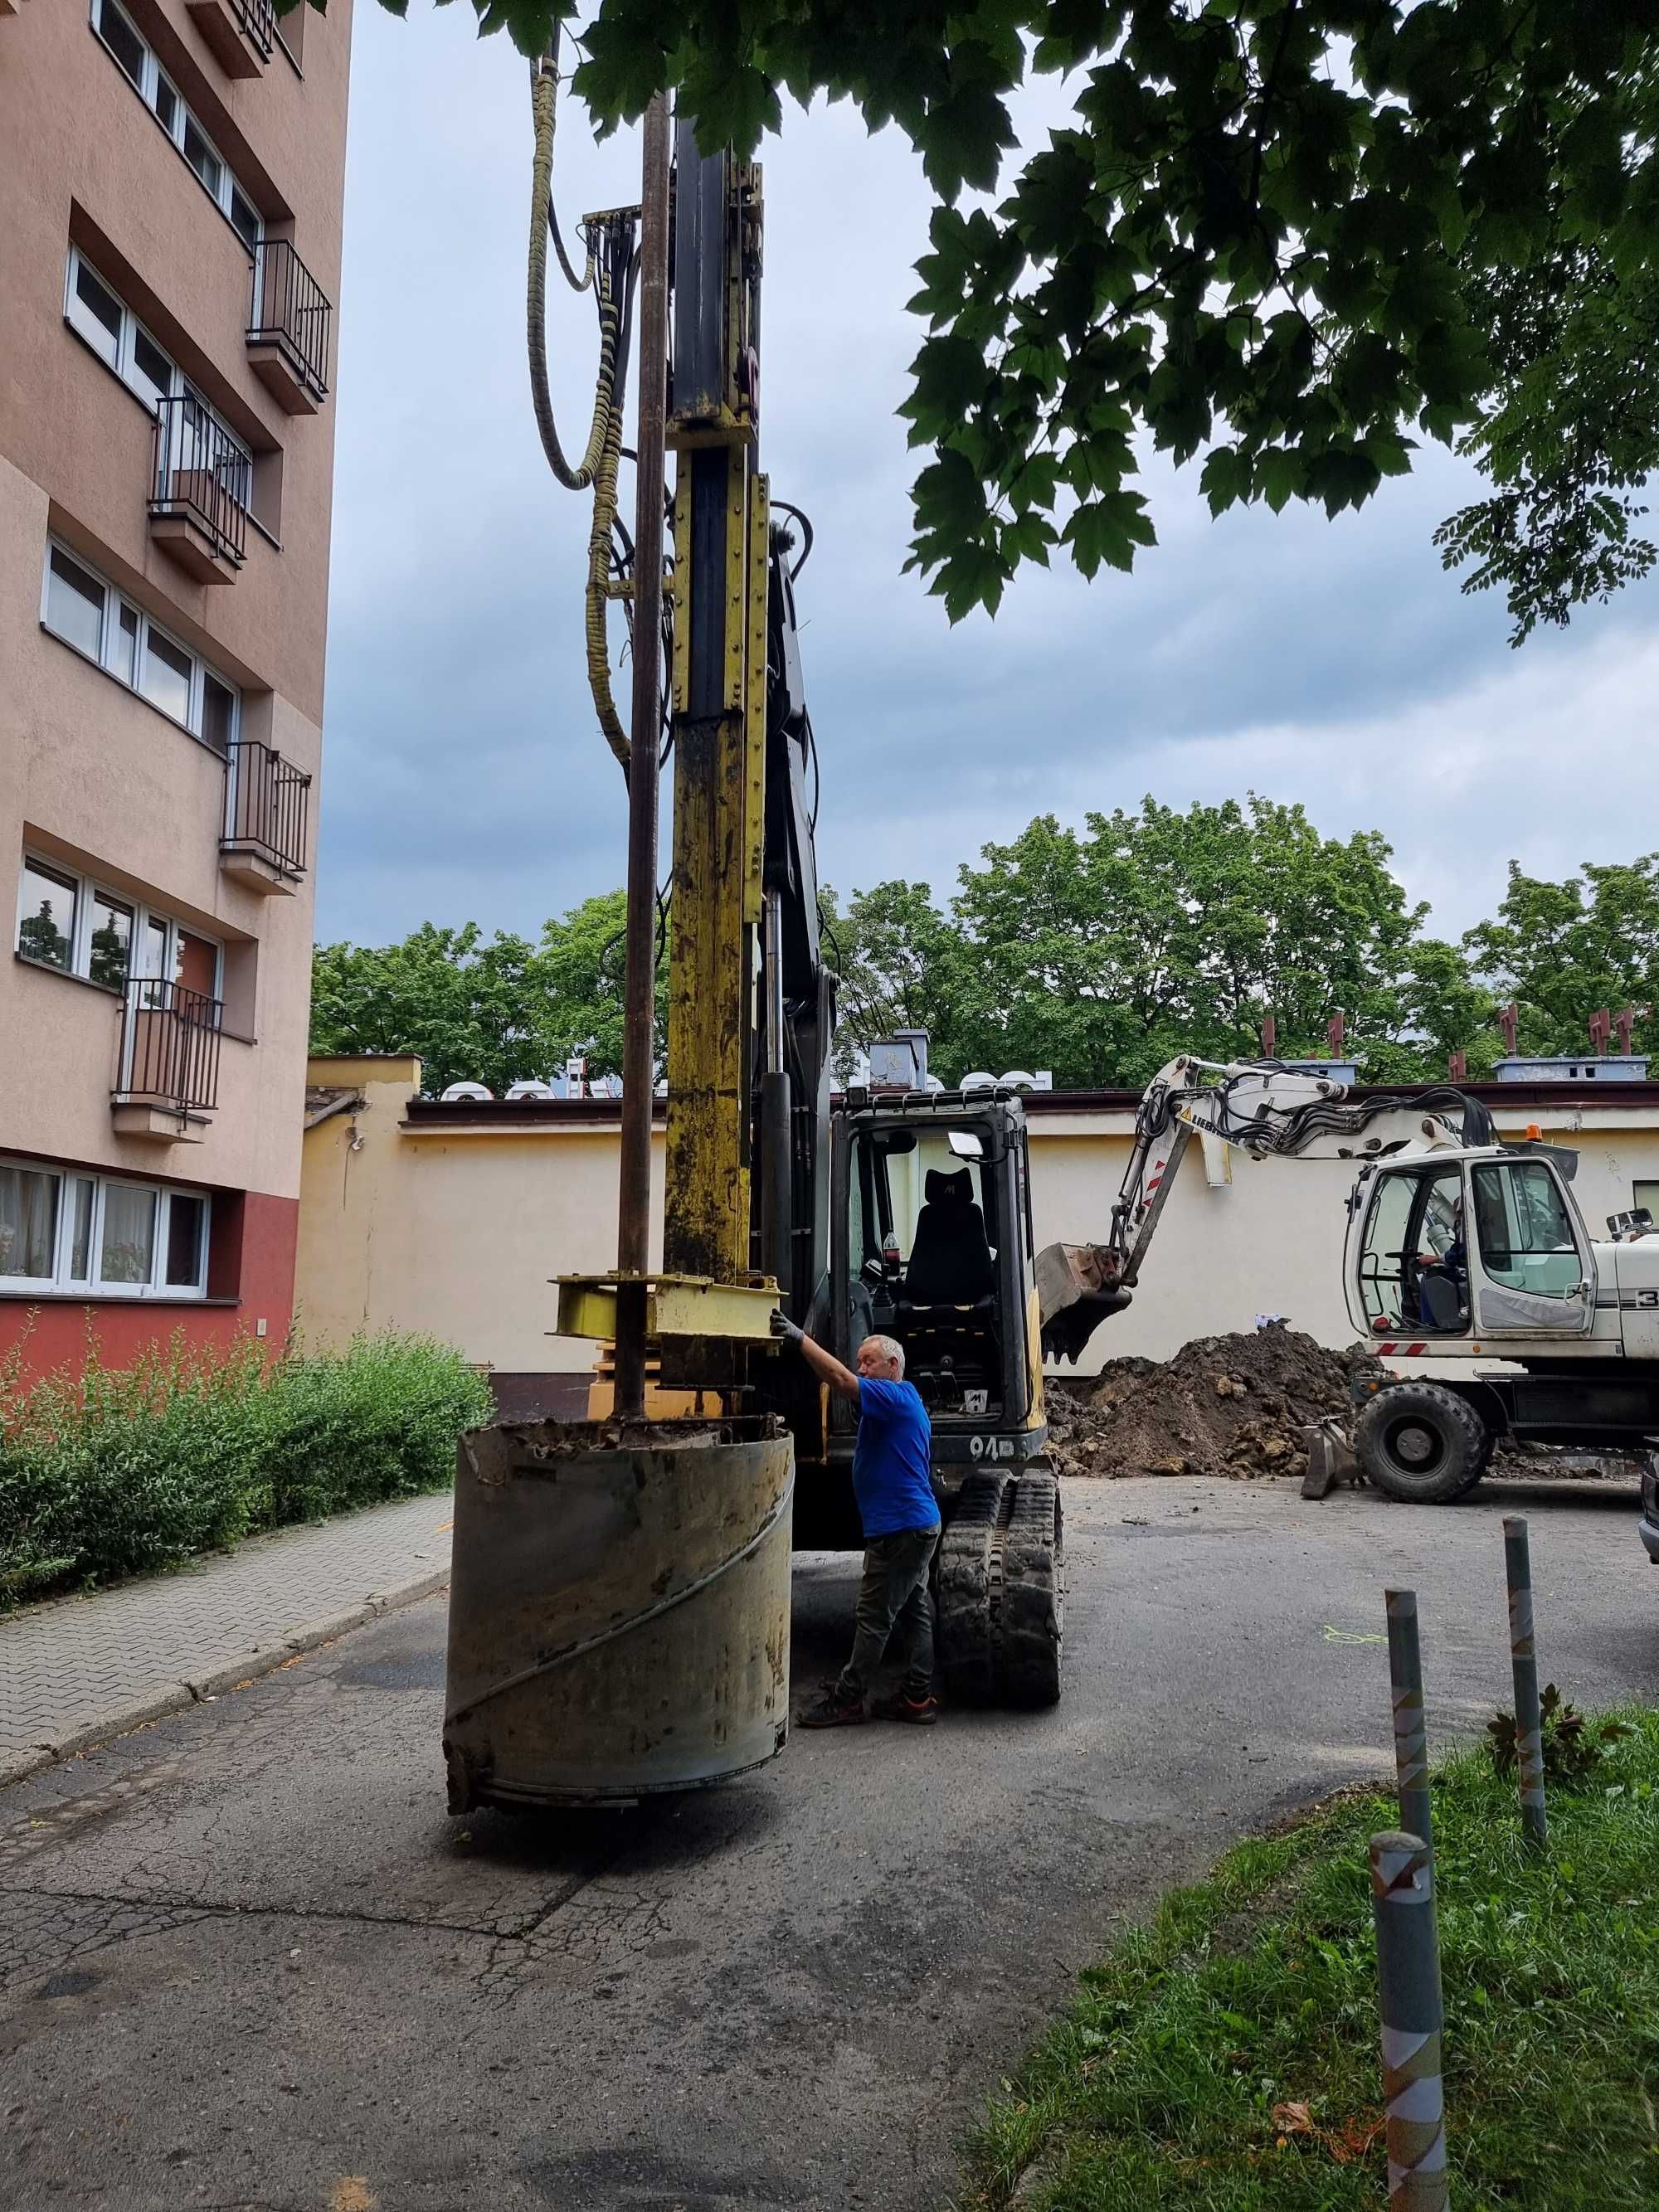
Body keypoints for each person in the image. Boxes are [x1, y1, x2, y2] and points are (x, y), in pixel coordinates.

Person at [771, 1315, 941, 1726]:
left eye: (870, 1362)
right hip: (912, 1526)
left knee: (873, 1617)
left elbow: (843, 1382)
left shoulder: (893, 1396)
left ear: (893, 1368)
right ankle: (917, 1697)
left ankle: (849, 1699)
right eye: (860, 1362)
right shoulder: (902, 1399)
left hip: (900, 1530)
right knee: (914, 1608)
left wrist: (801, 1339)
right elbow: (839, 1379)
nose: (862, 1369)